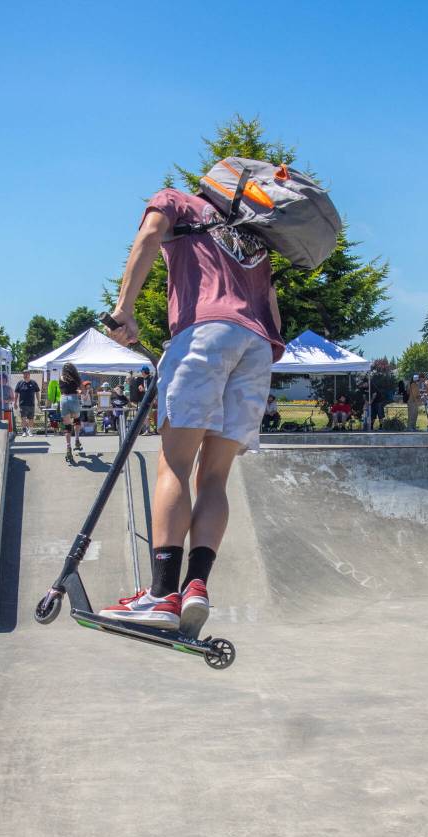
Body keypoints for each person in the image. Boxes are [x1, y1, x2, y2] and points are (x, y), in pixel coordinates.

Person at [101, 180, 281, 635]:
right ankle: (196, 585)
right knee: (215, 477)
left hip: (204, 333)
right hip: (257, 345)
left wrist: (124, 309)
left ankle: (162, 595)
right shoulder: (253, 235)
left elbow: (148, 236)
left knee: (175, 466)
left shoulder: (175, 199)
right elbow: (274, 312)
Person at [58, 362, 84, 458]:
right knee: (77, 419)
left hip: (64, 399)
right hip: (74, 399)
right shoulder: (76, 378)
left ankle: (68, 447)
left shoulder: (60, 378)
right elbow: (83, 391)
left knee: (67, 426)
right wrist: (79, 391)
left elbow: (63, 390)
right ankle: (77, 439)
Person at [14, 369, 40, 436]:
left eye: (26, 374)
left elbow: (37, 392)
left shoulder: (33, 383)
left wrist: (39, 401)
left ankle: (30, 431)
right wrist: (15, 403)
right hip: (22, 404)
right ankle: (24, 431)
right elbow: (16, 394)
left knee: (31, 418)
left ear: (29, 374)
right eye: (24, 374)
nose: (25, 375)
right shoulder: (20, 383)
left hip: (31, 404)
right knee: (23, 418)